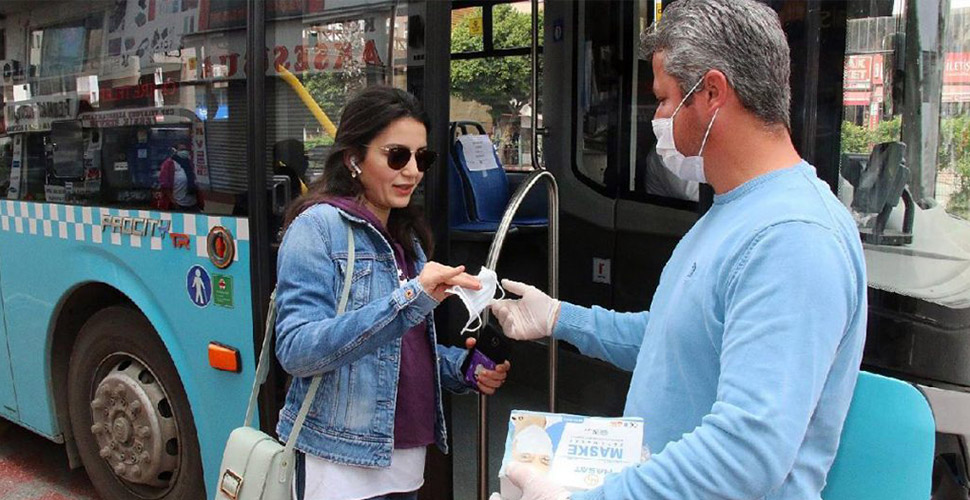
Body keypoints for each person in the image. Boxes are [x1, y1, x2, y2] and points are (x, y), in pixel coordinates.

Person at [492, 1, 867, 498]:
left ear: (712, 92)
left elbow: (745, 453)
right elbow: (673, 340)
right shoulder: (732, 211)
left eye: (665, 99)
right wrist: (560, 317)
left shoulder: (792, 238)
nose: (659, 117)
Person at [274, 86, 511, 500]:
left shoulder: (406, 238)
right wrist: (411, 298)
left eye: (423, 158)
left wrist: (463, 369)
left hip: (405, 459)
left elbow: (402, 349)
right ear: (353, 159)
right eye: (397, 155)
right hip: (339, 462)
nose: (413, 171)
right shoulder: (318, 228)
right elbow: (297, 350)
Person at [158, 143, 202, 211]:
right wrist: (173, 201)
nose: (184, 151)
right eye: (181, 149)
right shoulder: (169, 164)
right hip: (178, 204)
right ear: (175, 151)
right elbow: (164, 184)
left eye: (185, 149)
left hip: (192, 203)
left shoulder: (188, 163)